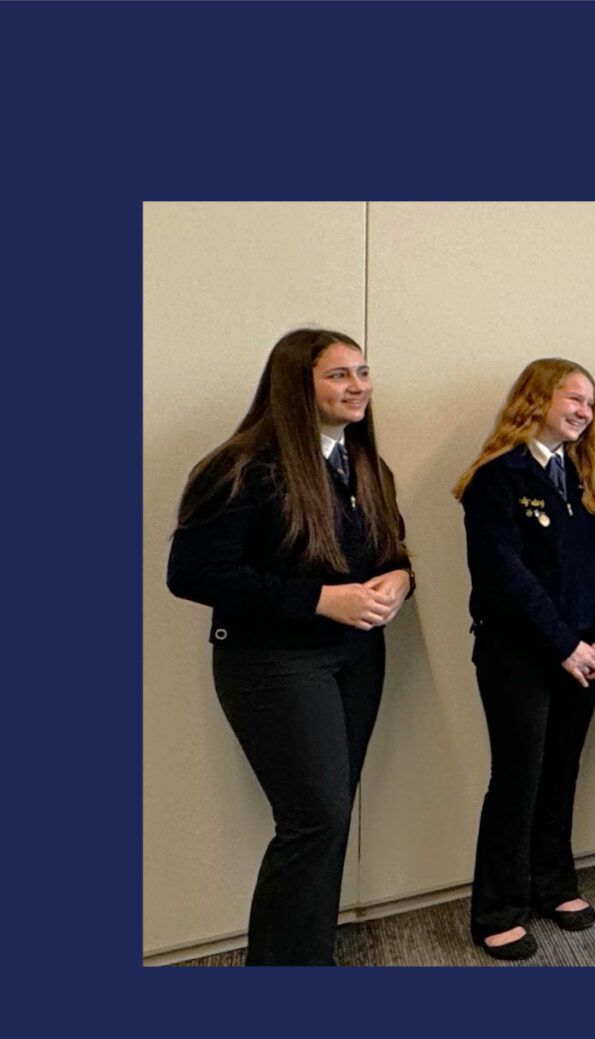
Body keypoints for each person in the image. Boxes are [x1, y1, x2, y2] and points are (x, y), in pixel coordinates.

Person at [167, 328, 416, 964]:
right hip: (272, 662)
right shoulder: (244, 466)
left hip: (357, 658)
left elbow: (390, 551)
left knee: (329, 818)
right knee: (315, 819)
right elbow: (192, 573)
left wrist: (401, 578)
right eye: (338, 375)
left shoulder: (365, 463)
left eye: (362, 371)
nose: (358, 385)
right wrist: (318, 599)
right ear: (294, 385)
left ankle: (309, 955)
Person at [452, 358, 595, 960]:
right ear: (536, 398)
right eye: (573, 398)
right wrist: (566, 645)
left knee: (561, 771)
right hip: (519, 654)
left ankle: (552, 884)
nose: (583, 411)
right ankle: (498, 907)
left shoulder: (586, 478)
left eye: (590, 404)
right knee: (518, 778)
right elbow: (507, 579)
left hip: (586, 656)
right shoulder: (496, 478)